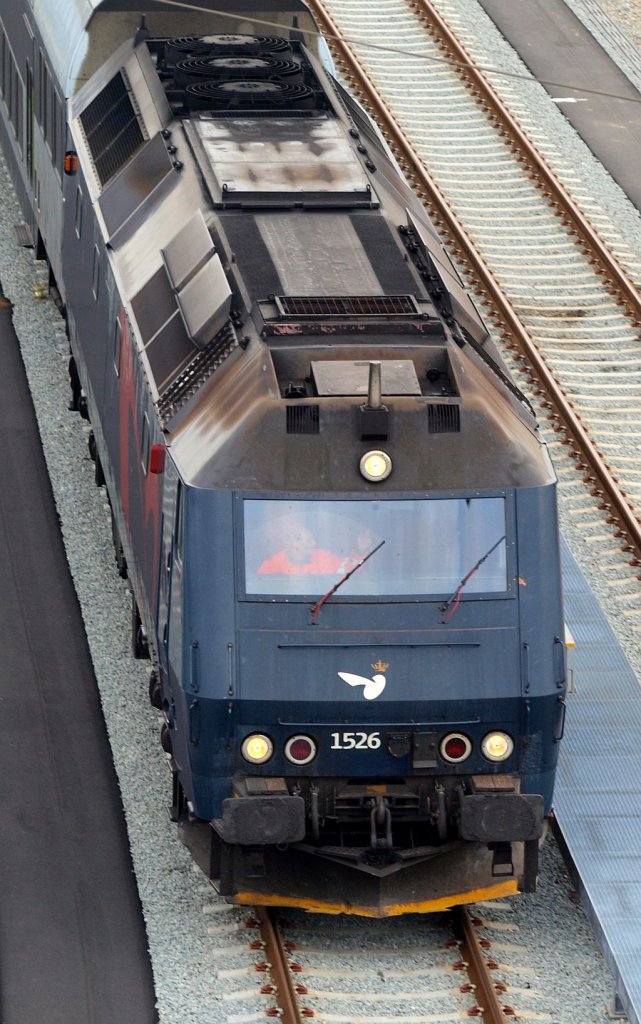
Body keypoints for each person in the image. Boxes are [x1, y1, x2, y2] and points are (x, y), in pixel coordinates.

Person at [257, 521, 343, 575]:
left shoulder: (324, 557)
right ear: (294, 543)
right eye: (309, 540)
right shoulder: (272, 564)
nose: (314, 543)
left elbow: (348, 570)